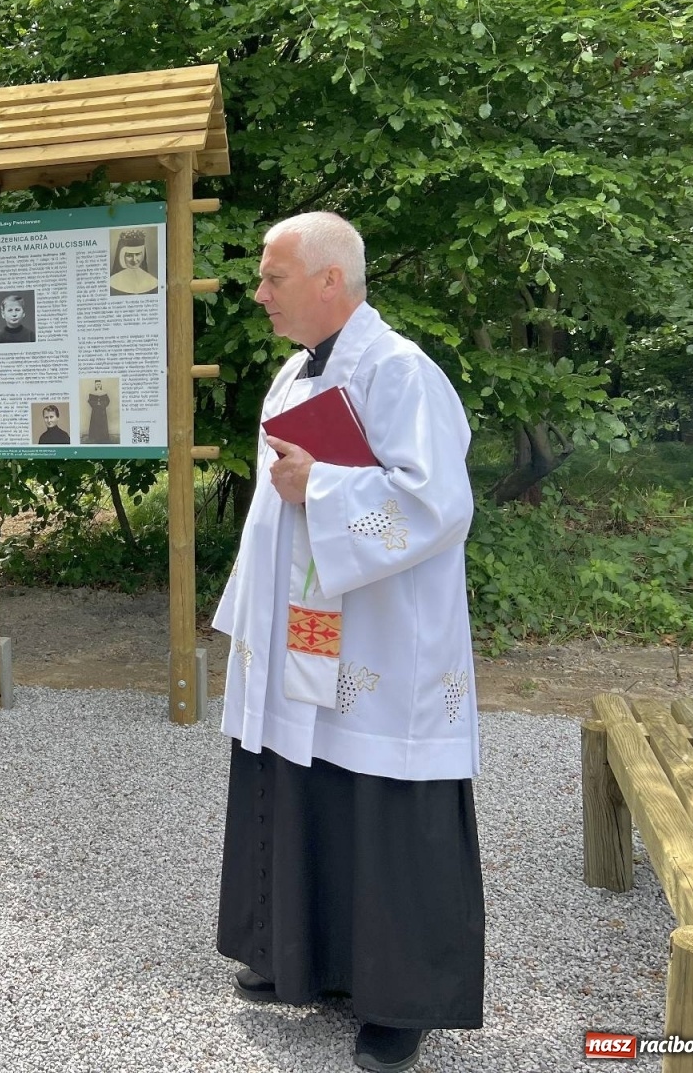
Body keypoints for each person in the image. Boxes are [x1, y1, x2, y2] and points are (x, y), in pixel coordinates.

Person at [210, 213, 482, 1073]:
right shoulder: (297, 370)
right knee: (303, 774)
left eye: (273, 277)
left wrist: (320, 485)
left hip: (382, 637)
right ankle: (307, 957)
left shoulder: (401, 371)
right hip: (307, 621)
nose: (260, 293)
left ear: (331, 280)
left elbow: (439, 504)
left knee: (382, 796)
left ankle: (401, 1000)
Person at [109, 229, 159, 295]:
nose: (134, 260)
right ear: (122, 256)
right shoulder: (112, 282)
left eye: (138, 254)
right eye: (129, 255)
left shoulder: (153, 282)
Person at [83, 379, 113, 444]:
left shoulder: (104, 393)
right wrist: (96, 404)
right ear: (95, 385)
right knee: (95, 423)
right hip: (95, 411)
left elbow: (107, 401)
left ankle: (103, 437)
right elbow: (90, 401)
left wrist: (102, 404)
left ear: (101, 385)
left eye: (99, 384)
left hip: (102, 411)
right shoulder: (92, 393)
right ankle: (95, 437)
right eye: (97, 384)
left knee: (102, 423)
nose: (98, 385)